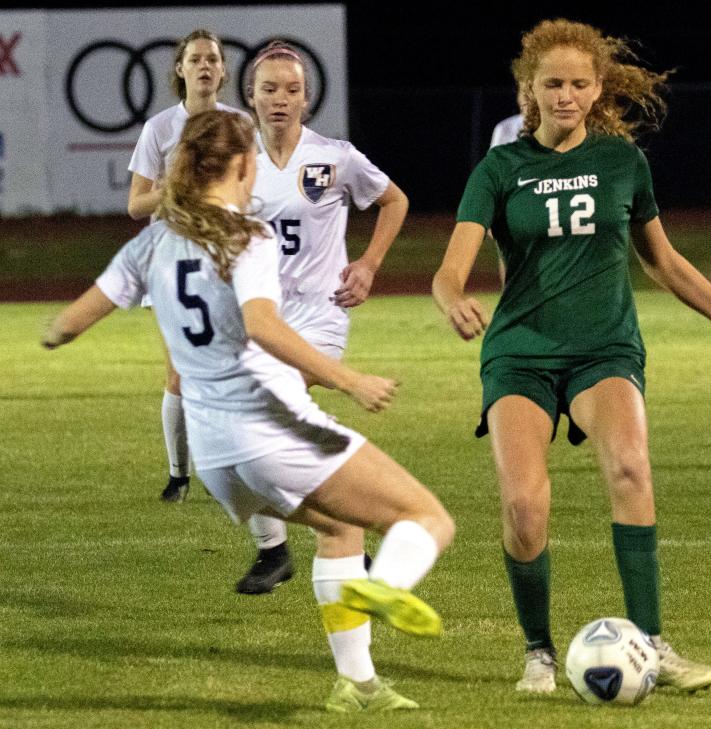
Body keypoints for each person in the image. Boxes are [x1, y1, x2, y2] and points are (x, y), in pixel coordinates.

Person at [44, 110, 454, 712]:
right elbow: (263, 325)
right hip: (271, 431)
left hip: (215, 459)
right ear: (241, 164)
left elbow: (69, 323)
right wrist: (346, 378)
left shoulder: (153, 241)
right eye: (253, 159)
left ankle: (358, 686)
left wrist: (50, 336)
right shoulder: (247, 235)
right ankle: (381, 588)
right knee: (426, 518)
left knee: (341, 528)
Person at [433, 19, 711, 695]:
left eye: (579, 83)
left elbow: (664, 261)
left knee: (629, 465)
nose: (565, 95)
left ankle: (653, 643)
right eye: (552, 83)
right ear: (527, 88)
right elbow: (451, 269)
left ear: (598, 89)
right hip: (522, 353)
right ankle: (537, 650)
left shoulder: (624, 162)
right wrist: (450, 299)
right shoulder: (500, 169)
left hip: (604, 347)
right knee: (525, 507)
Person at [243, 41, 417, 711]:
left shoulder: (335, 157)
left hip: (317, 319)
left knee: (277, 416)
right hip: (257, 318)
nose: (281, 96)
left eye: (291, 86)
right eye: (269, 87)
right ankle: (308, 526)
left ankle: (302, 528)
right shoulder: (235, 164)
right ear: (252, 98)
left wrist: (368, 265)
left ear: (305, 97)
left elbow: (394, 200)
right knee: (265, 435)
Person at [126, 29, 295, 596]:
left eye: (213, 59)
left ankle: (256, 488)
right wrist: (185, 187)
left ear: (224, 73)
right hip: (175, 261)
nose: (204, 66)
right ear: (179, 69)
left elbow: (257, 189)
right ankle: (181, 474)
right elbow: (135, 204)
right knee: (184, 369)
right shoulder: (159, 129)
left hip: (226, 258)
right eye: (195, 58)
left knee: (233, 368)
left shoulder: (236, 127)